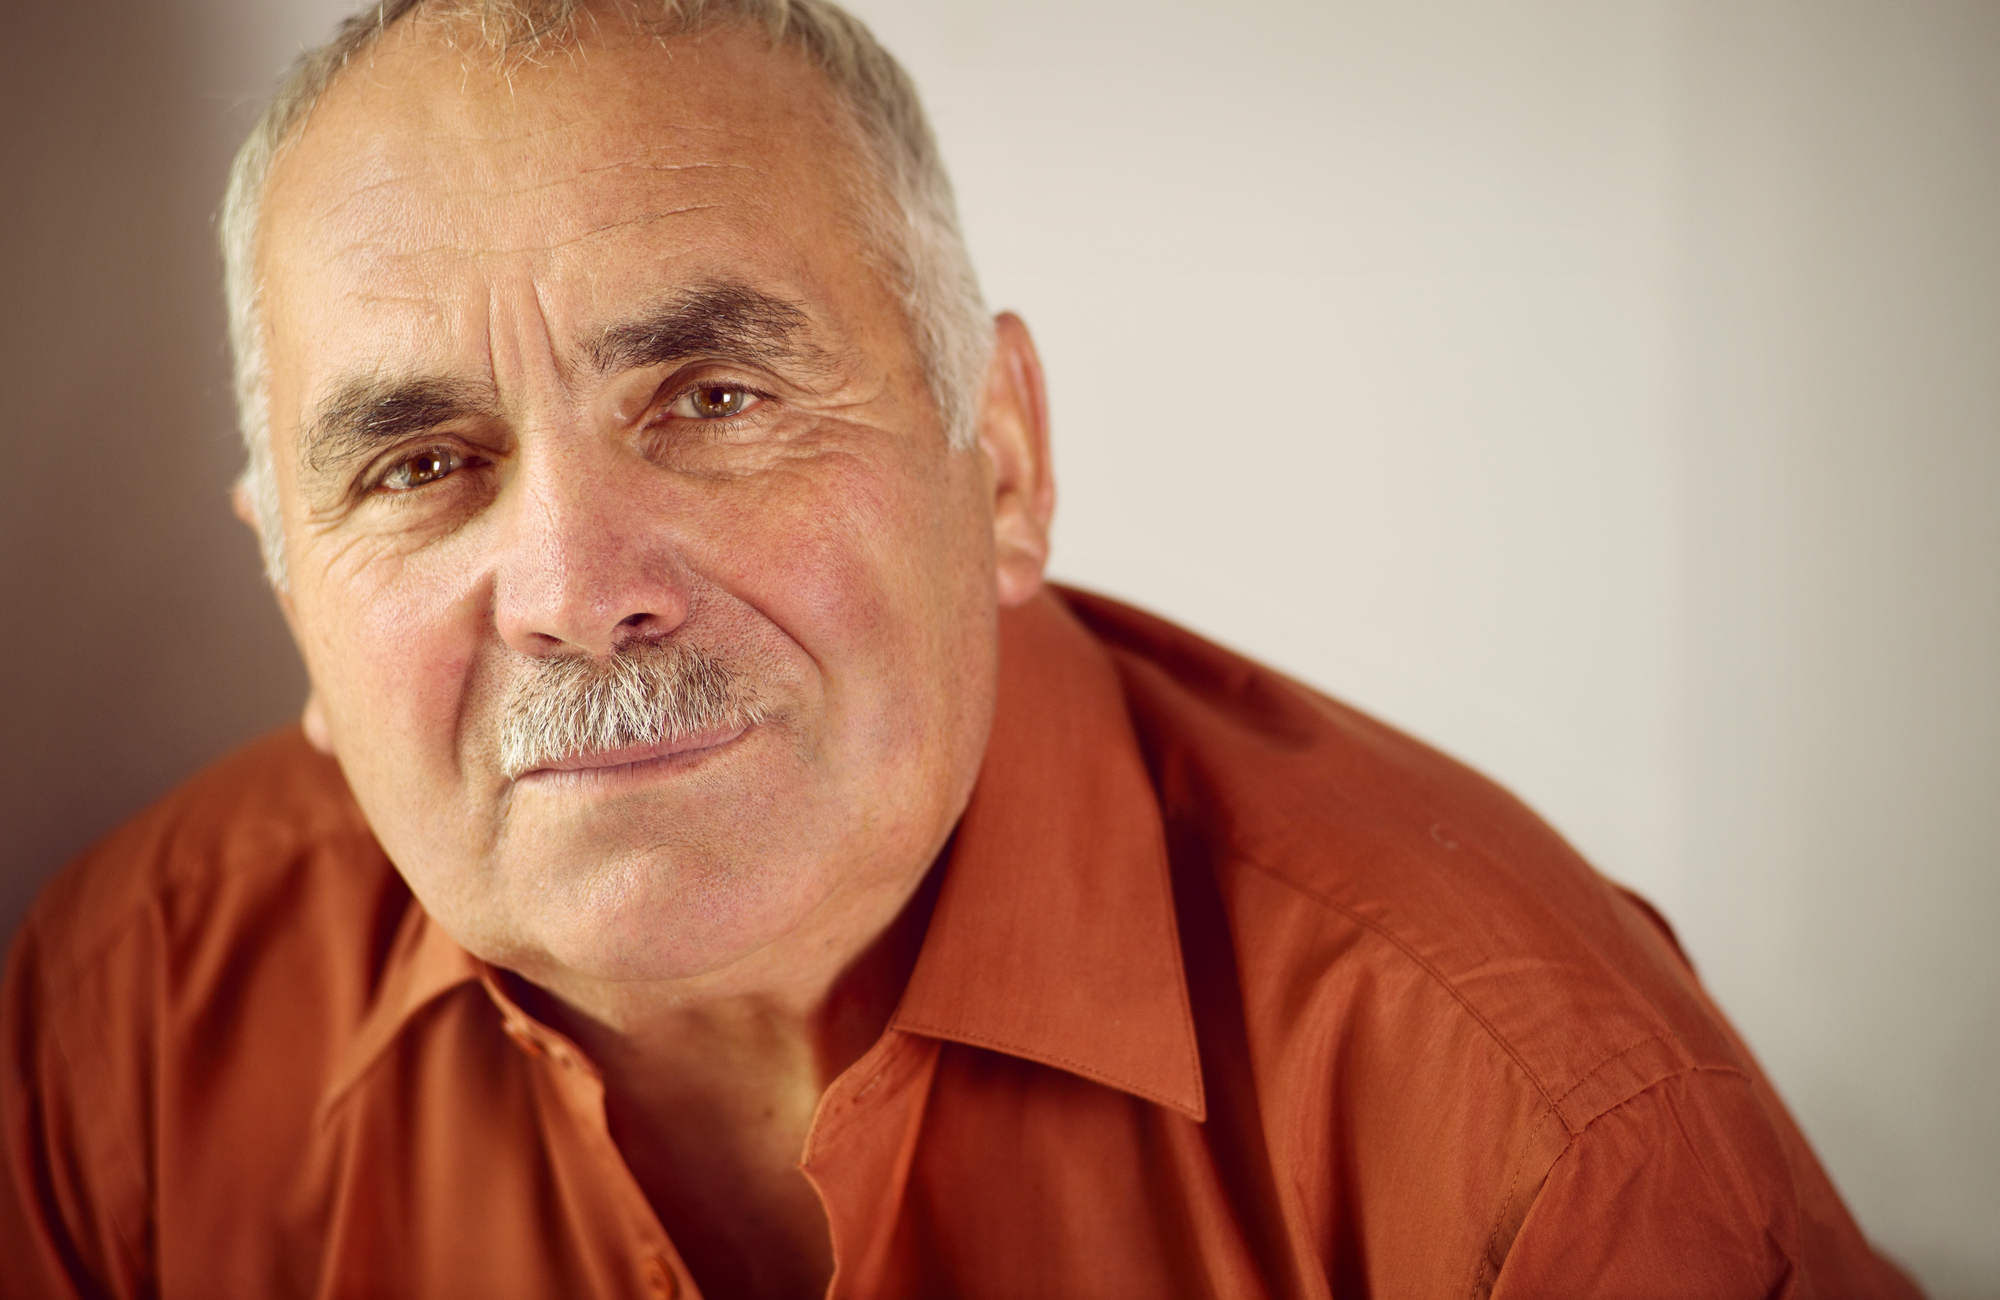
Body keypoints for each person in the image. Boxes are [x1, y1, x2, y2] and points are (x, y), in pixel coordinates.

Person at [0, 1, 1923, 1296]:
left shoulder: (1523, 1125)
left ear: (999, 460)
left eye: (716, 394)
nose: (577, 585)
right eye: (423, 463)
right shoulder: (124, 1037)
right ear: (298, 613)